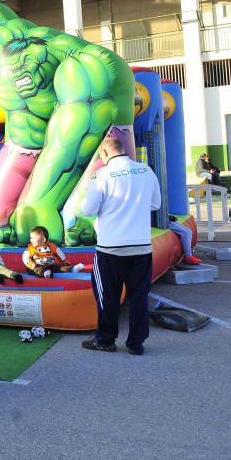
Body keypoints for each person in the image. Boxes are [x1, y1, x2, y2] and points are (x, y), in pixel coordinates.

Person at [80, 137, 161, 355]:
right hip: (141, 246)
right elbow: (156, 204)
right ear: (123, 150)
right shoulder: (146, 171)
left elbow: (87, 210)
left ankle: (106, 339)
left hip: (110, 247)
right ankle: (136, 343)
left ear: (104, 154)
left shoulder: (102, 175)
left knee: (108, 295)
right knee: (139, 297)